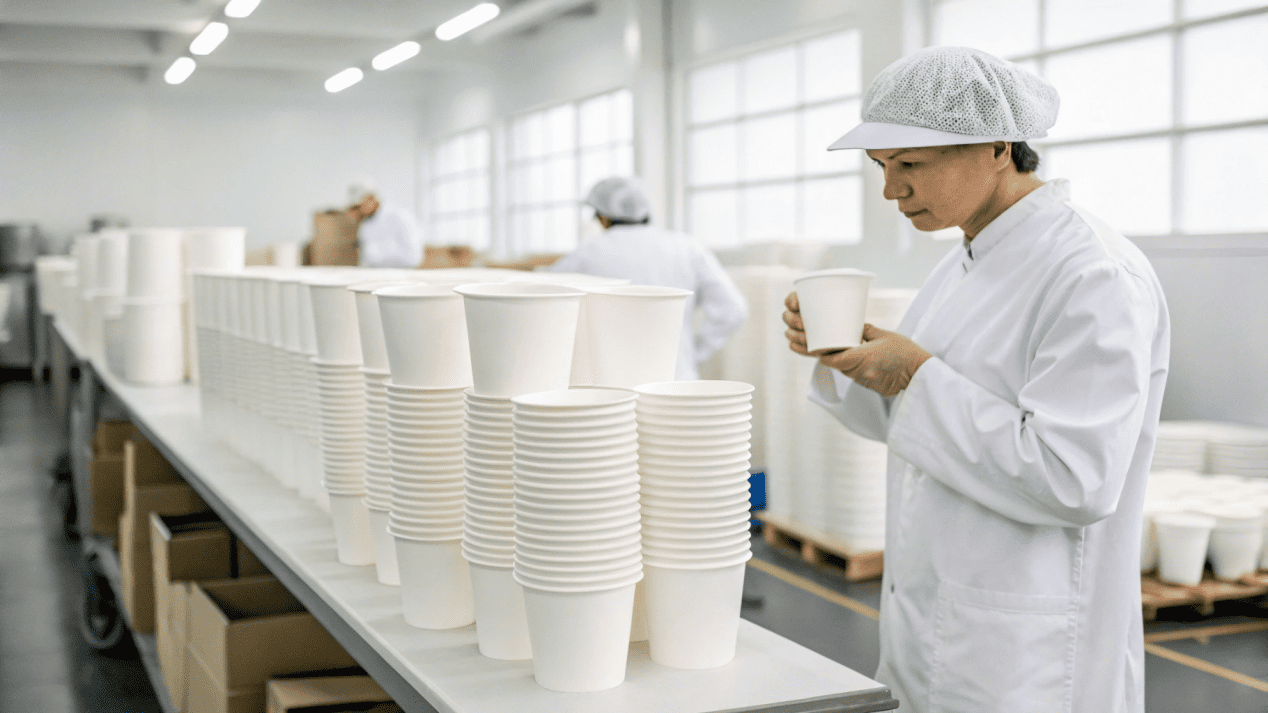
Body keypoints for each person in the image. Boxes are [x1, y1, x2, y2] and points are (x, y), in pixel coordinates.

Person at [782, 47, 1169, 713]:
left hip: (1030, 655)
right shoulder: (964, 260)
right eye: (881, 167)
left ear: (996, 146)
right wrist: (858, 365)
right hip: (943, 625)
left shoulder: (1091, 274)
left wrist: (914, 374)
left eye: (911, 165)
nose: (891, 191)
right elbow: (920, 424)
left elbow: (1074, 476)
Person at [548, 176, 747, 380]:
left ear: (602, 217)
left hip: (611, 384)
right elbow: (734, 310)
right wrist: (691, 353)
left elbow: (546, 300)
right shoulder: (687, 247)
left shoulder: (588, 252)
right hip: (677, 379)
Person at [347, 178, 423, 268]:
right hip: (373, 279)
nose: (357, 211)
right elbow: (365, 262)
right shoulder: (365, 226)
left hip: (401, 278)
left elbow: (414, 258)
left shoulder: (400, 217)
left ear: (371, 198)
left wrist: (376, 252)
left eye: (358, 206)